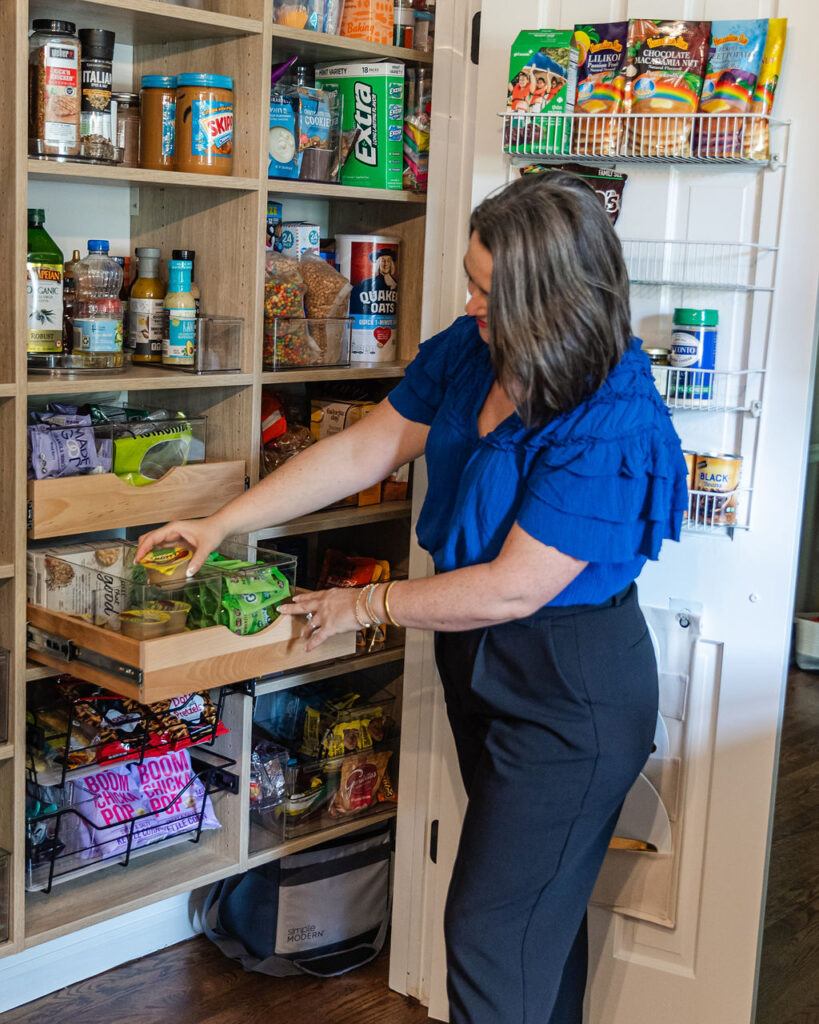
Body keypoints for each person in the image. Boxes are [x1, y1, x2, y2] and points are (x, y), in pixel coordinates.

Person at [136, 172, 689, 1024]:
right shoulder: (479, 349)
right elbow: (369, 449)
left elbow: (513, 587)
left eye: (488, 291)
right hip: (481, 665)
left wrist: (363, 606)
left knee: (486, 933)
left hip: (569, 691)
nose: (469, 303)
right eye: (471, 281)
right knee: (532, 928)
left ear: (555, 298)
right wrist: (221, 524)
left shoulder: (611, 416)